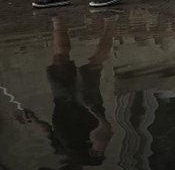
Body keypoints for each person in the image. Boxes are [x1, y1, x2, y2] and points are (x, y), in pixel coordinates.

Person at [17, 13, 116, 166]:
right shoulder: (90, 158)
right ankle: (110, 24)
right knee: (94, 63)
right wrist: (95, 112)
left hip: (62, 99)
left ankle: (58, 20)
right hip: (85, 102)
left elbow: (49, 132)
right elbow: (106, 132)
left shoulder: (62, 151)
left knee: (60, 59)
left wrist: (33, 120)